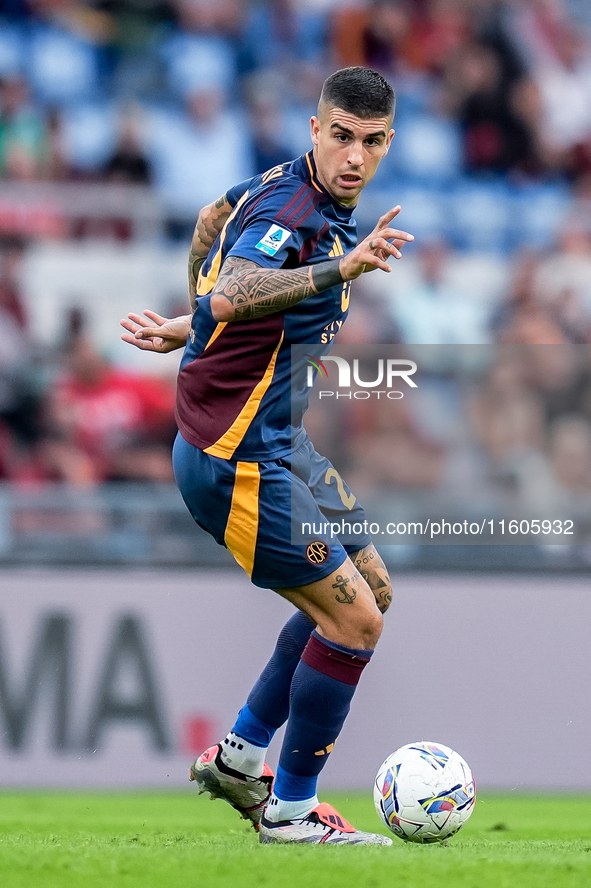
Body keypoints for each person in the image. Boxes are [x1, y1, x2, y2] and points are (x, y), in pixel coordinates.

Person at [121, 66, 414, 845]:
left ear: (389, 143)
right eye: (341, 136)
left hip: (279, 439)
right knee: (353, 624)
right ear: (314, 130)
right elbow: (235, 286)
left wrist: (192, 333)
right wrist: (330, 273)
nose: (354, 156)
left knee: (371, 592)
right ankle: (288, 810)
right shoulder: (297, 212)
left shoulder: (284, 188)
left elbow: (212, 216)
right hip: (235, 453)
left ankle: (240, 755)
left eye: (372, 142)